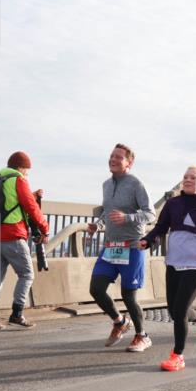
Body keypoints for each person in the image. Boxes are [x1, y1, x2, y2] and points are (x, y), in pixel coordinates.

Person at [140, 166, 196, 372]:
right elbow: (160, 228)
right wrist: (148, 240)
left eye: (193, 178)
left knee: (179, 311)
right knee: (174, 311)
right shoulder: (173, 204)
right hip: (174, 261)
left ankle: (178, 355)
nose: (187, 180)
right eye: (185, 177)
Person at [87, 143, 156, 352]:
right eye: (111, 156)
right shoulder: (106, 185)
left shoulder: (136, 184)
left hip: (131, 247)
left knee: (128, 297)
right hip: (110, 247)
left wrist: (128, 217)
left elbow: (150, 214)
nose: (113, 159)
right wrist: (97, 225)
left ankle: (142, 336)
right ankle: (120, 322)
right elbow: (107, 212)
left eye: (119, 157)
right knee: (96, 289)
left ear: (129, 163)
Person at [0, 151, 49, 331]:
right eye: (27, 170)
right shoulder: (19, 180)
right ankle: (17, 314)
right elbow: (31, 207)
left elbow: (11, 202)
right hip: (12, 236)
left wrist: (32, 194)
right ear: (21, 167)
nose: (27, 173)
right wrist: (45, 228)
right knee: (27, 274)